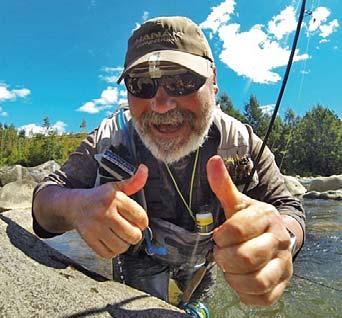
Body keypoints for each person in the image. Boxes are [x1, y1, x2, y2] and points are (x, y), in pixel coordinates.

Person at [32, 16, 305, 313]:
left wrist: (282, 240)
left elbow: (288, 209)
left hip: (204, 260)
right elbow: (44, 202)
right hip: (139, 257)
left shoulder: (243, 142)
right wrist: (76, 207)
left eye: (182, 81)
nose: (161, 105)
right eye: (142, 85)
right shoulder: (109, 139)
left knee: (197, 307)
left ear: (213, 82)